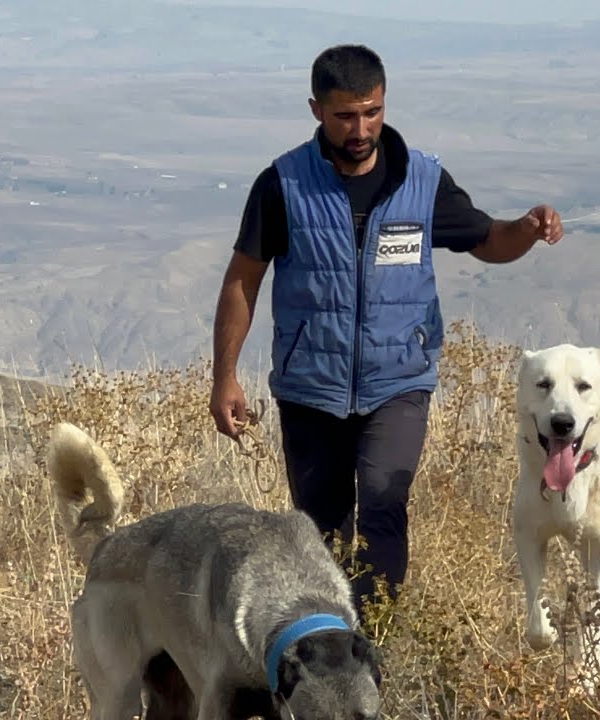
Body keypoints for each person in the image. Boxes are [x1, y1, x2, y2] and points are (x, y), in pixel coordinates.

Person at [208, 44, 563, 609]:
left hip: (398, 382)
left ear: (384, 103)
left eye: (371, 112)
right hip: (310, 388)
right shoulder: (282, 185)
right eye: (345, 115)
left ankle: (375, 641)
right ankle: (326, 641)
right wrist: (224, 376)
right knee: (319, 528)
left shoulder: (421, 181)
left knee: (383, 501)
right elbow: (242, 280)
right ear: (316, 110)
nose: (360, 128)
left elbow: (487, 239)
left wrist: (525, 227)